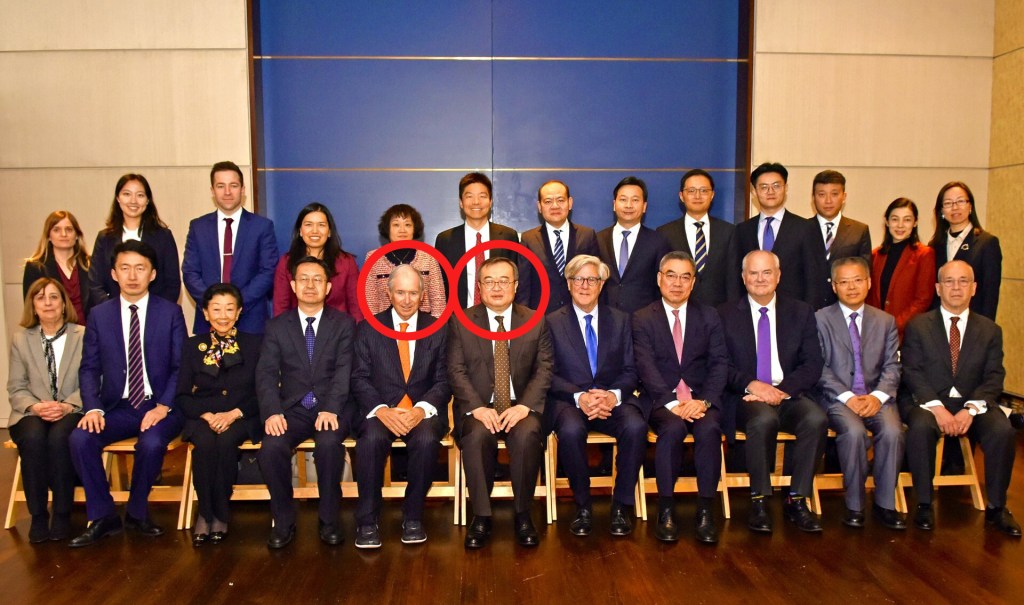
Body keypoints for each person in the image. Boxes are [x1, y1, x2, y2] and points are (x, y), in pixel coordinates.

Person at [68, 240, 187, 547]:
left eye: (140, 268)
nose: (132, 275)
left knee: (150, 443)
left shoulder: (170, 312)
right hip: (117, 406)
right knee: (81, 438)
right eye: (125, 268)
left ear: (153, 274)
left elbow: (181, 366)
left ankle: (136, 512)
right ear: (114, 273)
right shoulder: (99, 315)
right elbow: (89, 368)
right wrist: (92, 407)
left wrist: (163, 405)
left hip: (160, 405)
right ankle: (103, 515)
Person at [900, 260, 1019, 536]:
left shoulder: (990, 330)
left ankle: (997, 508)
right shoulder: (919, 326)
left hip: (972, 403)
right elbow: (912, 372)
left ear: (974, 288)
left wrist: (970, 410)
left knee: (1002, 431)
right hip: (928, 401)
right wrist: (938, 409)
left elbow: (994, 377)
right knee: (920, 427)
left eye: (963, 281)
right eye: (949, 282)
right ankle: (924, 503)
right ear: (938, 288)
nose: (956, 287)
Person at [718, 250, 827, 533]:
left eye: (767, 272)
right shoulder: (725, 314)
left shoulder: (800, 312)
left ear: (778, 276)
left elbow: (812, 363)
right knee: (764, 420)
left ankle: (797, 498)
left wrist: (782, 391)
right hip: (746, 396)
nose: (760, 279)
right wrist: (754, 385)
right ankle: (759, 500)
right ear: (743, 278)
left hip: (788, 394)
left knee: (816, 419)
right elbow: (719, 365)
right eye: (753, 273)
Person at [448, 257, 553, 549]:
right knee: (477, 435)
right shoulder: (462, 320)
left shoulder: (535, 319)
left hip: (521, 405)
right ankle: (482, 516)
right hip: (479, 405)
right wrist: (478, 408)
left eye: (504, 280)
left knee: (528, 433)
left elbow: (544, 369)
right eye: (489, 281)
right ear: (479, 287)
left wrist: (524, 406)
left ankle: (522, 514)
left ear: (516, 286)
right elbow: (455, 370)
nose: (497, 287)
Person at [256, 256, 356, 549]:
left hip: (332, 406)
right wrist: (272, 412)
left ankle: (329, 519)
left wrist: (331, 407)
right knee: (271, 447)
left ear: (328, 287)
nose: (310, 285)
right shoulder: (277, 326)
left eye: (317, 280)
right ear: (292, 285)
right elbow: (265, 373)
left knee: (328, 445)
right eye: (303, 279)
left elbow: (344, 371)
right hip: (293, 408)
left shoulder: (344, 324)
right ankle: (284, 520)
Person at [545, 255, 646, 537]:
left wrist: (613, 396)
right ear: (568, 283)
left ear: (602, 284)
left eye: (592, 279)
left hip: (611, 399)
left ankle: (620, 506)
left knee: (636, 426)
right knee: (570, 430)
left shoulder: (622, 320)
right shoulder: (551, 322)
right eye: (578, 279)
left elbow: (631, 369)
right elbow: (547, 374)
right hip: (570, 401)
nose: (585, 285)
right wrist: (579, 397)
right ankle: (583, 506)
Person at [351, 264, 451, 548]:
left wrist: (421, 409)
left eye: (413, 293)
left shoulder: (438, 327)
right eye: (400, 293)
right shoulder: (369, 327)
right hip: (380, 410)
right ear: (388, 293)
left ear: (422, 294)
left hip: (423, 411)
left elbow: (445, 380)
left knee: (427, 439)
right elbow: (358, 377)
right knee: (369, 440)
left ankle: (413, 517)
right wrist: (381, 410)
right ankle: (368, 522)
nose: (407, 300)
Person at [633, 252, 729, 544]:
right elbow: (645, 366)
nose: (677, 283)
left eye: (685, 276)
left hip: (701, 400)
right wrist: (673, 404)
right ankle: (666, 509)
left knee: (711, 428)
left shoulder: (709, 315)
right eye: (671, 275)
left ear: (693, 282)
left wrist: (706, 401)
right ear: (659, 278)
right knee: (672, 430)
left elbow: (719, 362)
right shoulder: (642, 318)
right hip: (663, 400)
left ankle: (704, 511)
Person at [815, 257, 905, 530]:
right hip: (837, 398)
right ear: (834, 286)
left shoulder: (885, 321)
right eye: (843, 282)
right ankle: (854, 505)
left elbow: (893, 366)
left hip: (878, 396)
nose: (851, 287)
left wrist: (877, 397)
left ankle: (885, 504)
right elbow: (818, 366)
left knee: (893, 431)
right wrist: (848, 397)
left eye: (857, 280)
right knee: (853, 433)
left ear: (868, 283)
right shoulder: (819, 319)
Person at [175, 283, 262, 546]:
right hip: (203, 416)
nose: (223, 315)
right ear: (205, 313)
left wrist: (235, 413)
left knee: (225, 443)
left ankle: (220, 514)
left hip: (242, 415)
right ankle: (205, 512)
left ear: (239, 312)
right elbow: (181, 395)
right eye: (216, 309)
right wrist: (208, 415)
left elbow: (264, 391)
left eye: (229, 309)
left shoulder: (255, 344)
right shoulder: (193, 346)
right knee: (204, 444)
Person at [7, 278, 85, 543]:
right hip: (32, 411)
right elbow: (16, 387)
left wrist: (66, 405)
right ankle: (38, 515)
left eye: (54, 297)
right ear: (33, 305)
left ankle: (62, 513)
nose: (48, 303)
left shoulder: (82, 335)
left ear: (64, 303)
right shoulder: (21, 339)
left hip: (73, 408)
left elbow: (93, 381)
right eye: (41, 298)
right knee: (32, 438)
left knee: (60, 438)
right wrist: (36, 406)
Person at [182, 161, 278, 334]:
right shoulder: (198, 227)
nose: (227, 192)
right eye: (220, 186)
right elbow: (190, 272)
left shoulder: (262, 227)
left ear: (242, 189)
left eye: (233, 185)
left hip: (250, 320)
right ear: (212, 190)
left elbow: (268, 271)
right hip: (208, 322)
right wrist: (214, 307)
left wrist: (236, 304)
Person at [735, 162, 828, 308]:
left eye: (776, 186)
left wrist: (808, 314)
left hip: (794, 313)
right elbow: (736, 278)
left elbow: (814, 278)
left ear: (786, 188)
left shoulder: (806, 228)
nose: (770, 191)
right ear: (754, 191)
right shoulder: (742, 230)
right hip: (751, 312)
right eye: (764, 187)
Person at [89, 174, 181, 304]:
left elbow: (172, 284)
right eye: (127, 194)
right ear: (118, 198)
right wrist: (112, 311)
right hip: (113, 315)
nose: (133, 201)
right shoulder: (104, 238)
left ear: (148, 200)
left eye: (140, 195)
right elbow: (95, 284)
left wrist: (156, 313)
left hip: (155, 315)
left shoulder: (163, 236)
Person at [434, 172, 519, 308]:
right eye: (469, 196)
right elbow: (439, 285)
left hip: (498, 317)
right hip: (458, 319)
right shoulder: (445, 240)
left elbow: (515, 281)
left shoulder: (508, 236)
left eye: (482, 196)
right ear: (461, 203)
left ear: (490, 201)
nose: (476, 202)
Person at [657, 169, 740, 307]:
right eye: (691, 191)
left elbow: (733, 280)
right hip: (678, 311)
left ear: (712, 195)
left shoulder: (729, 231)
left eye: (703, 191)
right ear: (681, 196)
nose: (697, 196)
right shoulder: (665, 232)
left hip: (719, 312)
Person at [516, 180, 599, 313]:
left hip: (578, 315)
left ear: (570, 203)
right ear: (539, 206)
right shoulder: (528, 239)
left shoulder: (587, 235)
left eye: (560, 200)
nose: (555, 206)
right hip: (541, 318)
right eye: (548, 201)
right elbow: (524, 287)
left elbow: (595, 280)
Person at [273, 202, 362, 321]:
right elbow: (280, 306)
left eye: (321, 225)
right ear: (300, 231)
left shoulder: (346, 262)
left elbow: (356, 306)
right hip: (297, 333)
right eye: (308, 224)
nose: (315, 231)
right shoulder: (286, 262)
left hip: (339, 333)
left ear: (329, 231)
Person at [597, 176, 672, 313]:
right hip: (605, 319)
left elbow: (662, 285)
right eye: (623, 199)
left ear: (644, 206)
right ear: (614, 204)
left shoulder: (658, 241)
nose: (628, 205)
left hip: (644, 320)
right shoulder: (598, 239)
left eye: (635, 200)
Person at [928, 181, 1001, 320]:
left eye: (960, 201)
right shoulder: (934, 246)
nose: (955, 207)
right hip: (940, 324)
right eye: (948, 203)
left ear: (970, 206)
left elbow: (990, 294)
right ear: (941, 211)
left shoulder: (987, 243)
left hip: (973, 323)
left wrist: (985, 331)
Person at [866, 198, 936, 341]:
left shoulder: (924, 254)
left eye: (907, 220)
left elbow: (923, 300)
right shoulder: (875, 255)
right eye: (895, 219)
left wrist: (894, 325)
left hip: (907, 335)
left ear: (915, 222)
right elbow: (869, 297)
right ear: (887, 221)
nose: (900, 225)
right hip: (876, 333)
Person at [364, 204, 446, 317]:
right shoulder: (373, 258)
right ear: (387, 229)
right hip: (384, 326)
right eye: (396, 225)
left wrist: (435, 331)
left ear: (414, 228)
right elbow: (370, 303)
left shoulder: (428, 257)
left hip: (424, 326)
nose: (402, 230)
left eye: (407, 225)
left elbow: (438, 301)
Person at [23, 210, 103, 321]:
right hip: (54, 332)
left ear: (77, 235)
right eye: (56, 230)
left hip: (90, 331)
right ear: (49, 236)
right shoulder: (36, 268)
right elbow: (31, 308)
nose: (64, 234)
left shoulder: (91, 264)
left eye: (69, 229)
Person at [810, 170, 871, 306]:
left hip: (845, 307)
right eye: (821, 194)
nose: (828, 200)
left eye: (835, 194)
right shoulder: (802, 229)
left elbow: (864, 273)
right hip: (809, 307)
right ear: (813, 197)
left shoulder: (859, 230)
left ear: (844, 197)